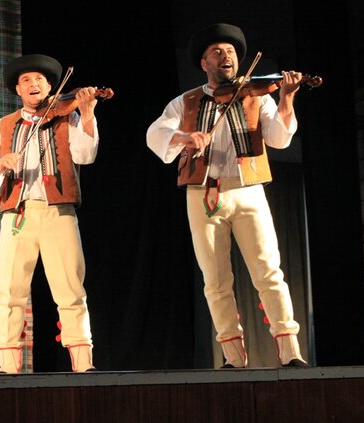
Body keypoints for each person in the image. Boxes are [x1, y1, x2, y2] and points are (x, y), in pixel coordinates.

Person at [146, 23, 308, 368]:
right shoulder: (186, 101)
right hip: (203, 193)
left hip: (248, 191)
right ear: (204, 62)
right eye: (217, 52)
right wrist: (185, 139)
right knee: (215, 278)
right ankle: (233, 356)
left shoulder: (257, 96)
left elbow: (280, 139)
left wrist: (286, 99)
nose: (226, 58)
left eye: (231, 52)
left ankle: (290, 350)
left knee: (268, 271)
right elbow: (155, 133)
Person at [0, 54, 99, 373]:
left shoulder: (68, 117)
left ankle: (83, 365)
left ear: (51, 86)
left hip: (59, 211)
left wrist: (88, 113)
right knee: (10, 290)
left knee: (70, 287)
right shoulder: (3, 125)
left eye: (39, 79)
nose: (33, 84)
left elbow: (86, 154)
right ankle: (8, 366)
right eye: (26, 80)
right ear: (18, 89)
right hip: (19, 214)